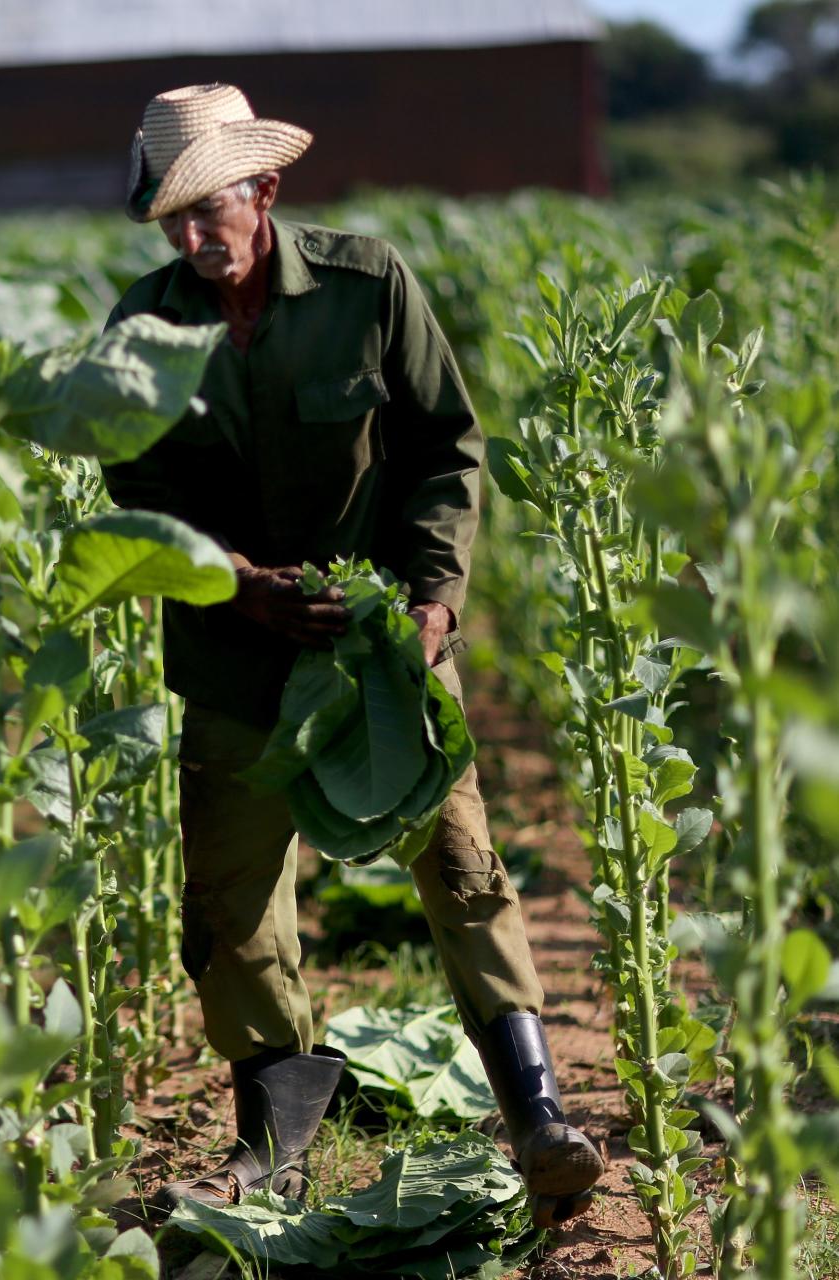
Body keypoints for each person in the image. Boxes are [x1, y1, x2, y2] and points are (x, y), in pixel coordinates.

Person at [101, 83, 603, 1230]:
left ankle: (536, 1114)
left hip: (381, 647)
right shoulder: (141, 327)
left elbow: (442, 446)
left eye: (206, 214)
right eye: (169, 222)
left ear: (263, 190)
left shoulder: (365, 287)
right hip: (235, 653)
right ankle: (268, 1145)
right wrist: (239, 585)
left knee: (461, 864)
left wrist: (432, 599)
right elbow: (137, 500)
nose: (190, 241)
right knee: (229, 909)